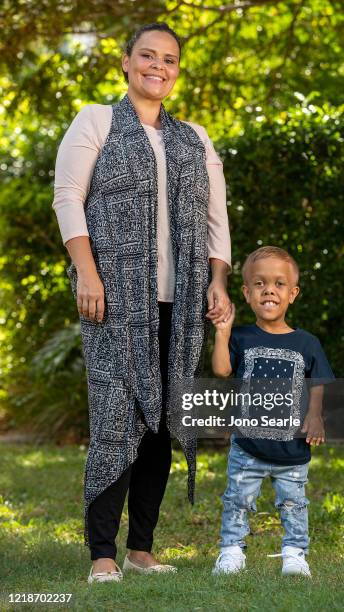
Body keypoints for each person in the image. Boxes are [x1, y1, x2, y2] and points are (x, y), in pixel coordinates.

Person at [52, 22, 232, 583]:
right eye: (148, 56)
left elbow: (215, 224)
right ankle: (102, 554)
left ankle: (141, 549)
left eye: (171, 59)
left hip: (179, 306)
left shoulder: (195, 138)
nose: (160, 66)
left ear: (177, 70)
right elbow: (68, 198)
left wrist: (219, 281)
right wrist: (87, 272)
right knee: (116, 417)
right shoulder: (96, 120)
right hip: (113, 300)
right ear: (126, 63)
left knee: (165, 424)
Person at [210, 246, 334, 576]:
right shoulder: (241, 337)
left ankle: (295, 553)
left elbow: (318, 380)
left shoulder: (307, 342)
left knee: (294, 503)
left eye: (279, 284)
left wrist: (315, 415)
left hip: (292, 449)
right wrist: (222, 334)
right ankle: (232, 551)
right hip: (247, 446)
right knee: (237, 500)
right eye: (260, 283)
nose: (269, 290)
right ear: (247, 293)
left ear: (292, 294)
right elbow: (222, 370)